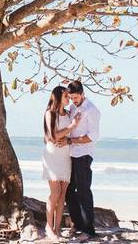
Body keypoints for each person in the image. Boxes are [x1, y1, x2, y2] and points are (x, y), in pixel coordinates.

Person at [41, 85, 81, 240]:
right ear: (58, 97)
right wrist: (72, 126)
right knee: (55, 193)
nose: (68, 98)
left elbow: (68, 136)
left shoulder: (69, 113)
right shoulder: (50, 114)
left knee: (63, 194)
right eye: (65, 95)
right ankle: (48, 227)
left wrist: (70, 136)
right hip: (52, 155)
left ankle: (57, 229)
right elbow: (54, 136)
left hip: (65, 156)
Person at [63, 80, 101, 238]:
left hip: (84, 154)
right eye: (71, 97)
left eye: (76, 97)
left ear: (83, 94)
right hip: (71, 154)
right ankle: (77, 224)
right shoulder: (72, 107)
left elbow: (93, 136)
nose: (73, 100)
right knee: (69, 190)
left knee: (84, 191)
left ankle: (89, 228)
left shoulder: (92, 110)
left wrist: (73, 141)